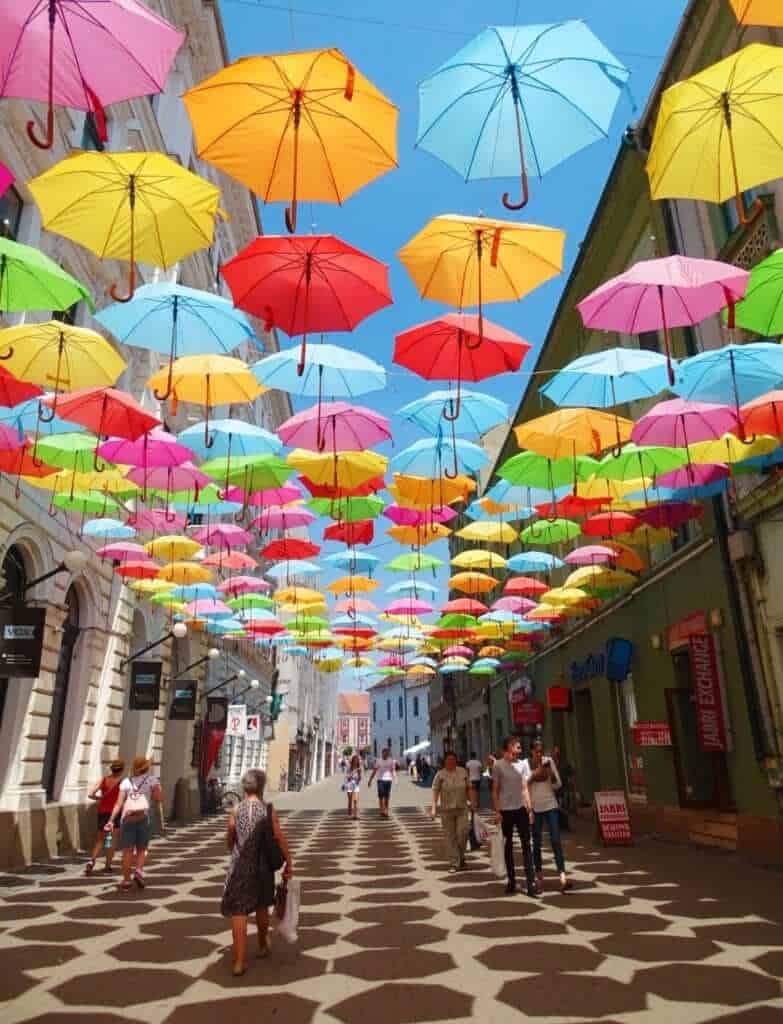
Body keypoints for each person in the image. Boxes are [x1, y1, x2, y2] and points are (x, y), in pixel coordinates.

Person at [221, 769, 293, 977]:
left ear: (245, 787)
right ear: (261, 787)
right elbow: (278, 837)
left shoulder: (236, 809)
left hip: (239, 866)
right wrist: (289, 861)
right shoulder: (267, 810)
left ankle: (239, 961)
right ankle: (262, 944)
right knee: (262, 905)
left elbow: (230, 837)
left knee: (239, 910)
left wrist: (233, 845)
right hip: (261, 866)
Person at [107, 755, 163, 892]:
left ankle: (126, 880)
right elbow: (158, 798)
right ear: (147, 767)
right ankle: (138, 870)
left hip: (127, 819)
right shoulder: (152, 780)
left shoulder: (126, 782)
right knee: (142, 849)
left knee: (127, 850)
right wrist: (156, 789)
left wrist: (111, 820)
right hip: (144, 818)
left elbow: (119, 803)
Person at [492, 736, 537, 897]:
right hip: (505, 810)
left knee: (526, 845)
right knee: (508, 846)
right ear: (509, 747)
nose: (520, 748)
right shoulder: (498, 766)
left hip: (521, 809)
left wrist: (530, 809)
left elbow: (525, 788)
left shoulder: (523, 764)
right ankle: (511, 880)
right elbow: (495, 790)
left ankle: (531, 882)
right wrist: (497, 811)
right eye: (517, 746)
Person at [527, 740, 569, 893]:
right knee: (536, 842)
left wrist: (551, 776)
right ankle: (539, 877)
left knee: (556, 840)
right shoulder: (526, 765)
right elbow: (523, 785)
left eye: (541, 751)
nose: (539, 754)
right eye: (536, 751)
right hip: (535, 808)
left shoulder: (548, 761)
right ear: (531, 752)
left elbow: (558, 784)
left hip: (550, 805)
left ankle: (562, 875)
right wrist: (534, 774)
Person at [430, 751, 471, 872]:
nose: (451, 761)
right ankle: (455, 862)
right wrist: (433, 808)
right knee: (450, 837)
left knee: (463, 833)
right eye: (448, 759)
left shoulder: (463, 772)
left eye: (453, 759)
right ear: (445, 761)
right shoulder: (440, 774)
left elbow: (469, 787)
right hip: (446, 810)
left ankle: (460, 856)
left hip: (462, 808)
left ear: (456, 760)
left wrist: (473, 802)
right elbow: (435, 791)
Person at [85, 758, 125, 875]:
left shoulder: (103, 780)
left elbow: (91, 794)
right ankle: (108, 865)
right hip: (116, 814)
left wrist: (99, 798)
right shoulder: (122, 782)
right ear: (121, 770)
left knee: (100, 839)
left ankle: (92, 861)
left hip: (103, 812)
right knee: (112, 840)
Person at [367, 747, 397, 817]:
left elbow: (393, 770)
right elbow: (374, 771)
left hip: (388, 780)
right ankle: (381, 810)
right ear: (382, 753)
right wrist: (370, 780)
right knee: (381, 796)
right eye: (385, 753)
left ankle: (386, 810)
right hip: (380, 780)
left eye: (387, 753)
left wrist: (395, 778)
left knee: (387, 796)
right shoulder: (379, 760)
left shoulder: (391, 761)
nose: (386, 754)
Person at [343, 753, 362, 820]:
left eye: (357, 761)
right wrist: (353, 773)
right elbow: (347, 777)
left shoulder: (359, 768)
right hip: (349, 784)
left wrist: (359, 777)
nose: (356, 762)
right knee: (350, 800)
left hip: (356, 785)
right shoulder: (349, 767)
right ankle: (349, 814)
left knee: (355, 800)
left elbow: (360, 778)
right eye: (355, 760)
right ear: (353, 761)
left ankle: (356, 815)